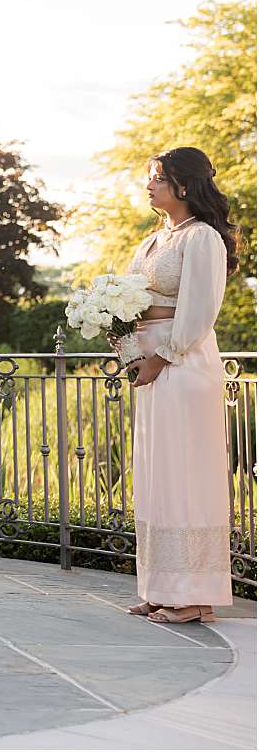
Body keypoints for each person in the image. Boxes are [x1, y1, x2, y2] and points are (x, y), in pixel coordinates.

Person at [121, 147, 237, 625]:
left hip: (183, 367)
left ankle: (194, 596)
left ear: (183, 186)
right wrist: (129, 351)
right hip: (149, 366)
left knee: (186, 475)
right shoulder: (151, 242)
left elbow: (198, 310)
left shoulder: (203, 238)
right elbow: (124, 299)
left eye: (158, 178)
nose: (149, 186)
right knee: (156, 476)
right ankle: (160, 586)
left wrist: (162, 358)